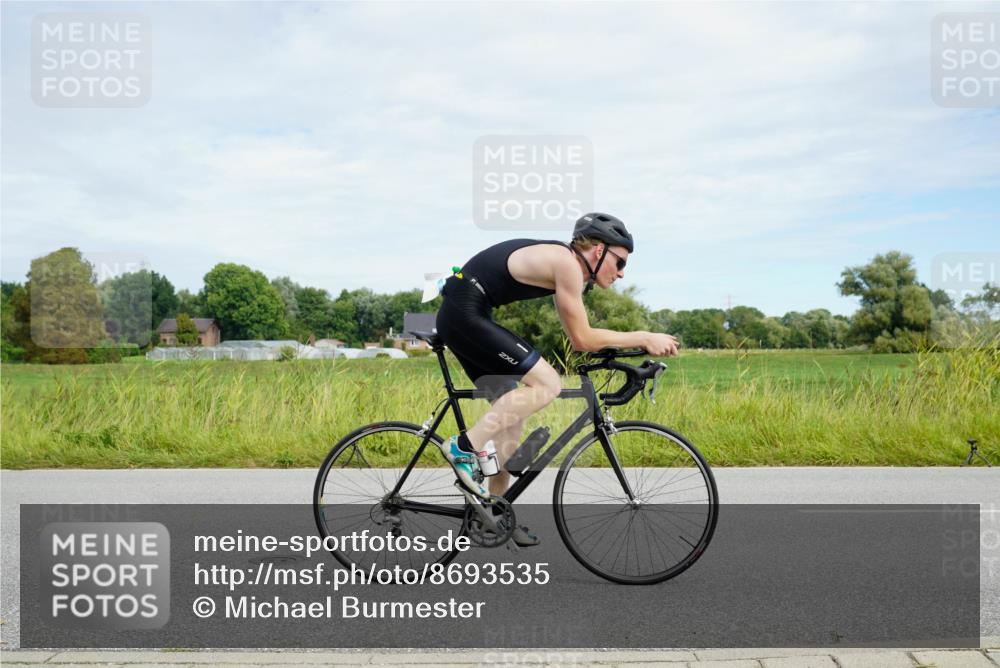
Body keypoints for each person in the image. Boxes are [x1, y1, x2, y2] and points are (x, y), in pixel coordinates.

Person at [434, 213, 679, 545]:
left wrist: (625, 352)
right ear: (598, 251)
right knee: (549, 384)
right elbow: (582, 339)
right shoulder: (566, 263)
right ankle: (463, 448)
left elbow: (583, 338)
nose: (621, 273)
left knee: (511, 422)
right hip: (465, 312)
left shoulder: (564, 264)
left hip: (466, 312)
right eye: (620, 263)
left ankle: (492, 512)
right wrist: (643, 336)